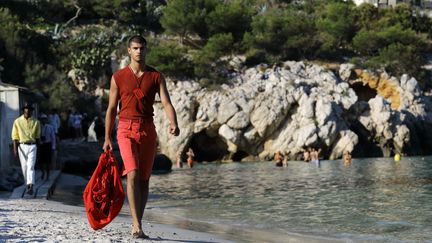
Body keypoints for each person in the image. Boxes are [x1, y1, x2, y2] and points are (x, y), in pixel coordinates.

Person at [103, 35, 180, 239]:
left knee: (145, 180)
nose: (139, 51)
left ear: (146, 50)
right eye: (135, 48)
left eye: (142, 48)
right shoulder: (118, 77)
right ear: (129, 51)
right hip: (125, 129)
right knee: (133, 173)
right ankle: (136, 225)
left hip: (147, 130)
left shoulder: (156, 76)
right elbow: (111, 109)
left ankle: (139, 221)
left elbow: (166, 103)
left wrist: (174, 122)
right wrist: (107, 138)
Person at [11, 103, 41, 195]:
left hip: (32, 145)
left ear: (32, 111)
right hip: (22, 146)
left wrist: (38, 149)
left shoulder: (36, 122)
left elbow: (38, 137)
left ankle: (31, 185)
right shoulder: (17, 121)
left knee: (31, 166)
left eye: (30, 109)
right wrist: (15, 149)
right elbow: (14, 137)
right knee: (24, 167)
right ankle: (27, 185)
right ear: (23, 110)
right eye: (26, 109)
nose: (28, 111)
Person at [39, 113, 56, 180]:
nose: (43, 120)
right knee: (40, 161)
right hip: (41, 145)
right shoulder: (39, 127)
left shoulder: (50, 127)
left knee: (48, 161)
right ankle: (43, 172)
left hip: (48, 145)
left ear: (46, 120)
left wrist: (53, 147)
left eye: (44, 119)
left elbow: (53, 138)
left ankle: (48, 175)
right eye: (42, 119)